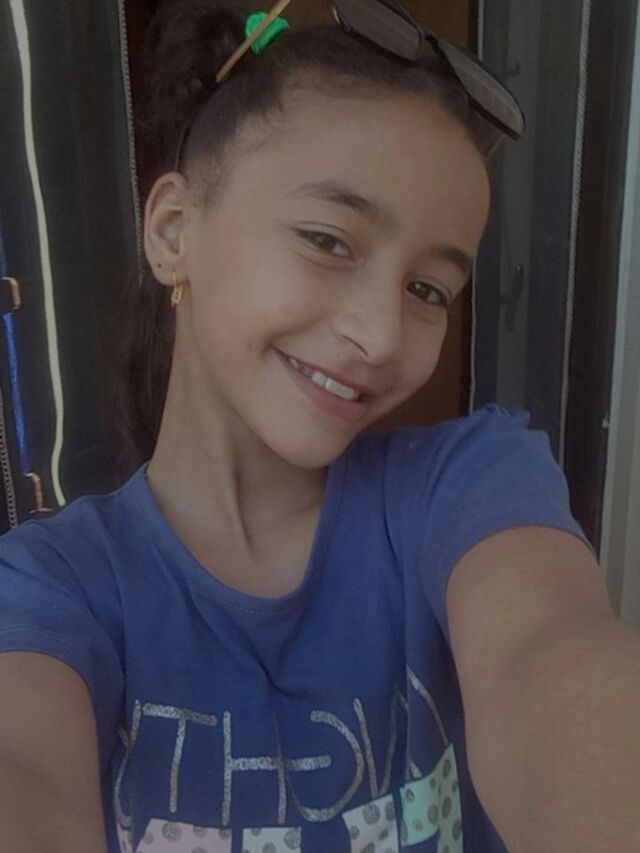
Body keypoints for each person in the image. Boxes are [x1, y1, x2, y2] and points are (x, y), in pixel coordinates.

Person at [0, 1, 638, 851]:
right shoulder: (51, 587)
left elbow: (554, 660)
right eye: (329, 240)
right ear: (174, 232)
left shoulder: (471, 482)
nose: (381, 336)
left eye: (428, 289)